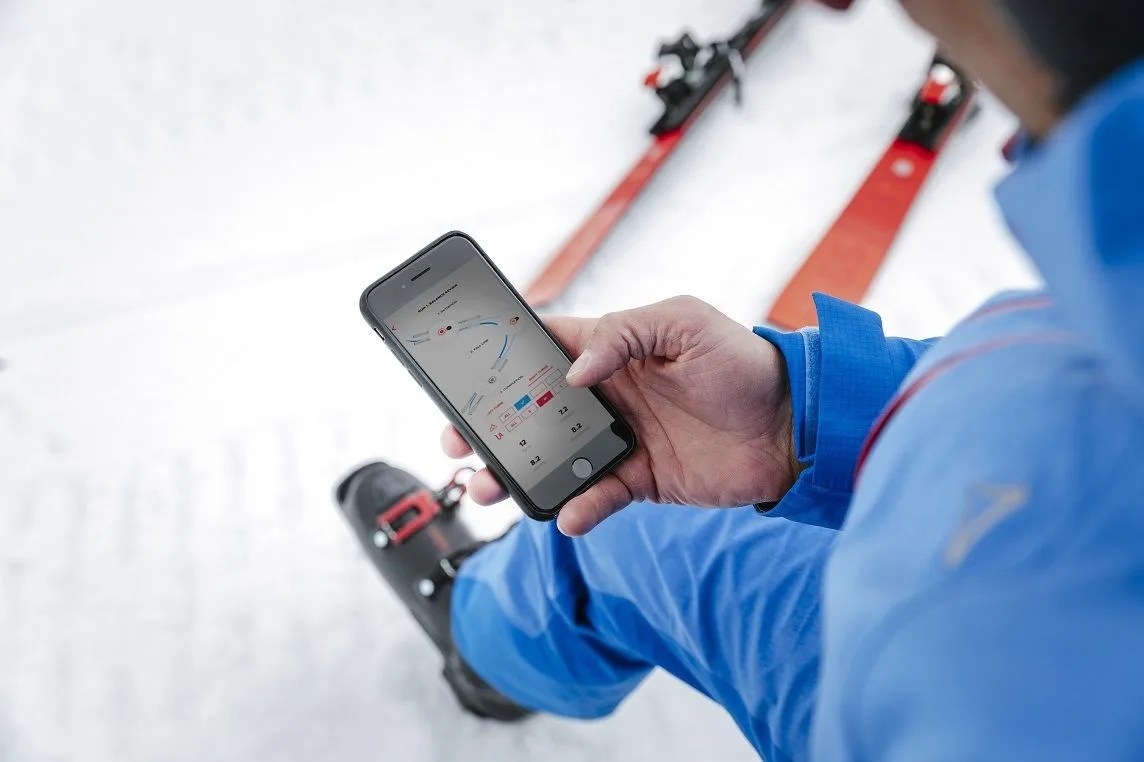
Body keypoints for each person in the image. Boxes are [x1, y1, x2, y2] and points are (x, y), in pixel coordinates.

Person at [339, 1, 1144, 758]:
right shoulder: (1117, 265)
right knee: (629, 509)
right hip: (1004, 515)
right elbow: (1089, 372)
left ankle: (480, 644)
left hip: (914, 677)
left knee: (607, 531)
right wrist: (797, 415)